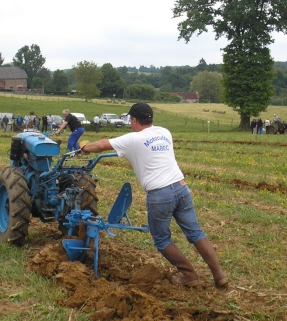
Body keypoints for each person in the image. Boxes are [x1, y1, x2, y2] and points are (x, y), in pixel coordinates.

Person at [79, 103, 228, 289]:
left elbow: (101, 145)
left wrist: (84, 148)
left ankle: (189, 274)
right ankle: (219, 274)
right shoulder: (165, 132)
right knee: (195, 232)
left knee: (162, 239)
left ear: (133, 120)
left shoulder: (133, 139)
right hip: (181, 187)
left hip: (160, 194)